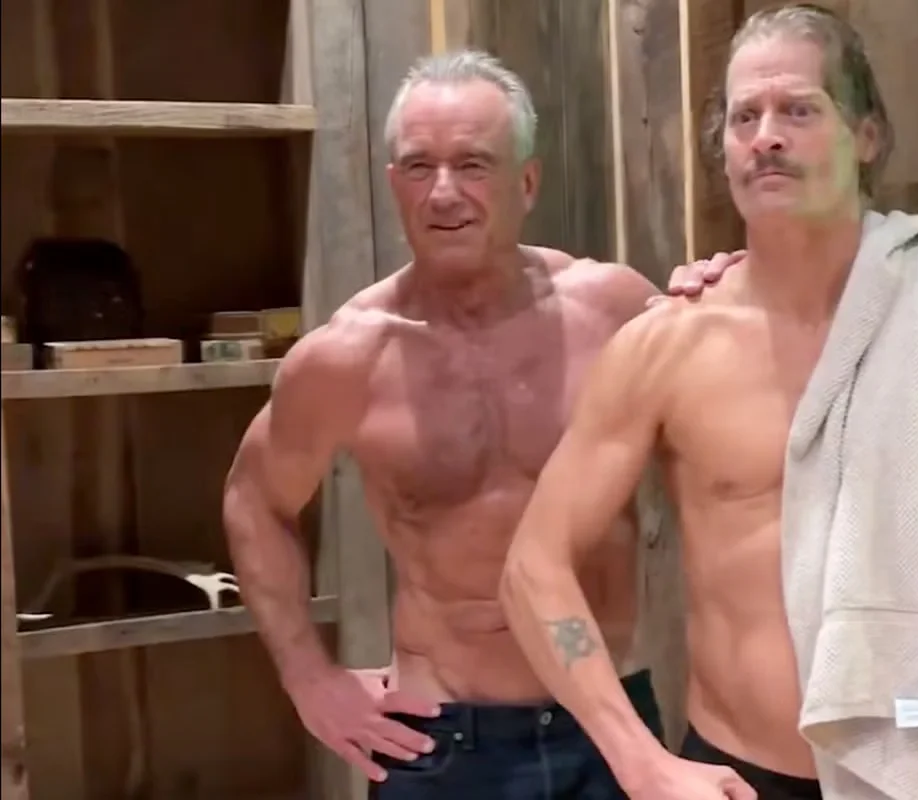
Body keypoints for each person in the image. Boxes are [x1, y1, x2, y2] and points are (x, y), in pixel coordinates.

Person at [499, 6, 918, 800]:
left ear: (866, 136)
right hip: (741, 777)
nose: (767, 137)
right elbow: (532, 568)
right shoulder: (666, 348)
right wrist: (639, 760)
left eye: (799, 110)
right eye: (745, 116)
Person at [222, 49, 725, 799]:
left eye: (473, 165)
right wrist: (308, 678)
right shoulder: (349, 357)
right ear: (393, 182)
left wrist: (727, 288)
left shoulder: (613, 313)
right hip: (444, 741)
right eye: (418, 167)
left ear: (528, 182)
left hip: (610, 727)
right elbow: (253, 500)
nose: (443, 193)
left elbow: (739, 433)